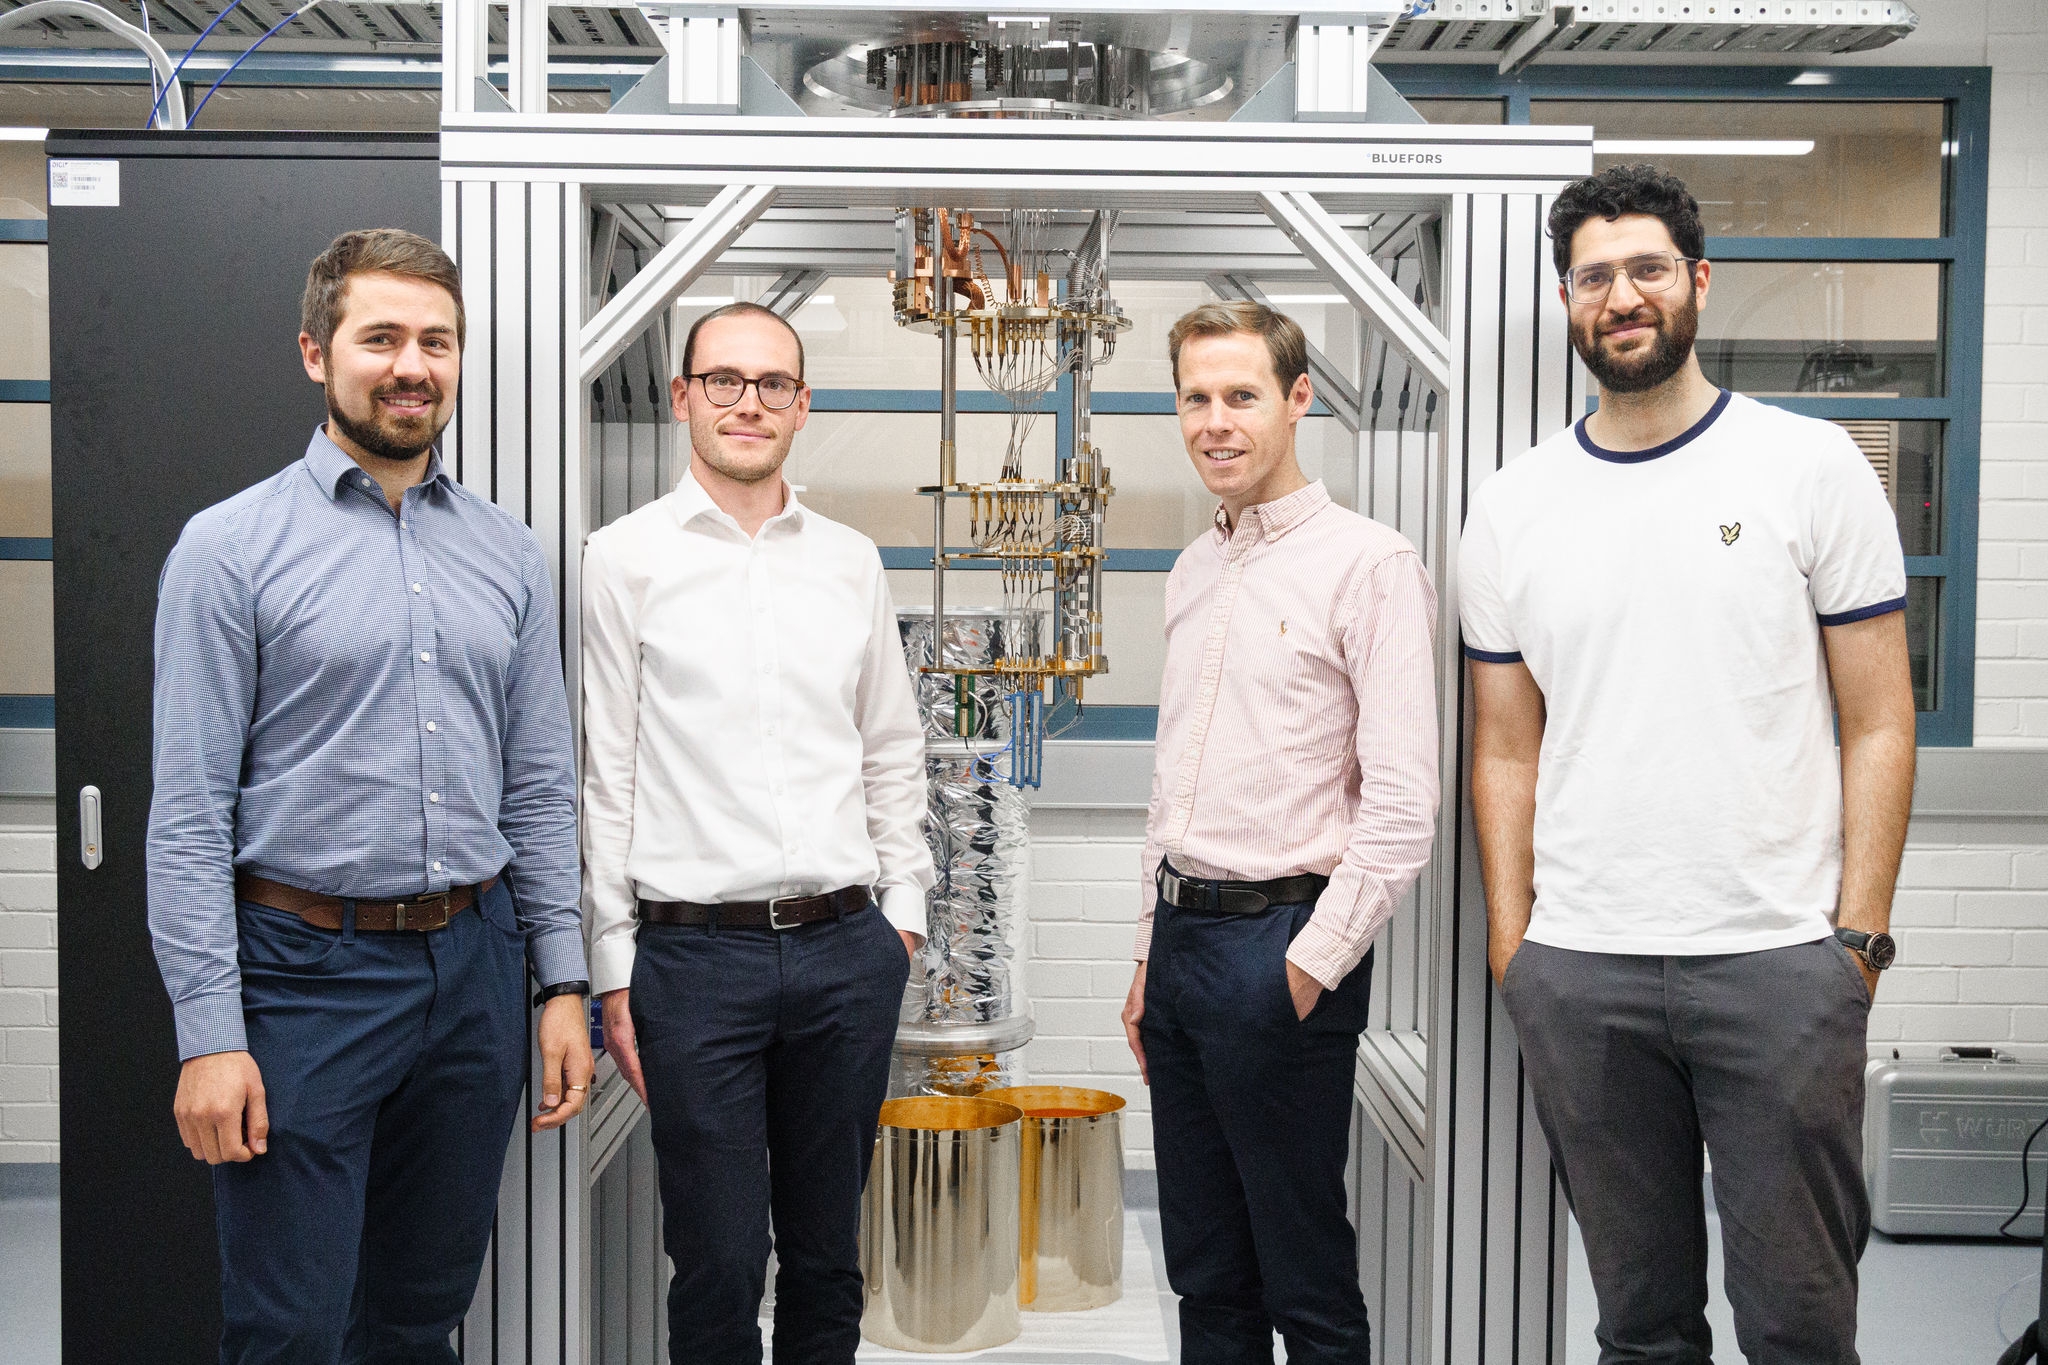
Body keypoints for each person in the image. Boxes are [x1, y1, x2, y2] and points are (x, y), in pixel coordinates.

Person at [1463, 165, 1915, 1364]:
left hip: (1775, 965)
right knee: (1639, 1325)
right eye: (1593, 277)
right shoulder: (1511, 506)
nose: (1621, 295)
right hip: (1583, 971)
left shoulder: (1807, 467)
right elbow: (1503, 747)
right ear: (1566, 301)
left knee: (1798, 1325)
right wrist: (1516, 946)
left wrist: (1854, 942)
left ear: (1697, 282)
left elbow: (1878, 720)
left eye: (1646, 269)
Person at [147, 228, 594, 1363]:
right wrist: (209, 1036)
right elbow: (190, 814)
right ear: (315, 352)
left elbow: (538, 788)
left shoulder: (507, 552)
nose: (412, 365)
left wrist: (560, 984)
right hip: (304, 977)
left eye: (435, 342)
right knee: (290, 1324)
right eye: (381, 337)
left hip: (476, 973)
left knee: (416, 1315)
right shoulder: (228, 550)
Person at [581, 301, 934, 1364]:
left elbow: (890, 748)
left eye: (772, 383)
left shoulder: (848, 561)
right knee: (721, 1261)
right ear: (683, 396)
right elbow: (604, 775)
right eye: (724, 380)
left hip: (843, 951)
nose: (748, 403)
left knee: (828, 1261)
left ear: (801, 405)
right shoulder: (621, 559)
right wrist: (611, 968)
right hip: (693, 962)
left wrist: (900, 923)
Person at [1119, 300, 1440, 1365]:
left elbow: (1402, 805)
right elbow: (1173, 790)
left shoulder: (1368, 563)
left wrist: (1308, 967)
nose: (1215, 422)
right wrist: (1141, 957)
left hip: (1280, 948)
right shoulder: (1191, 570)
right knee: (1203, 1271)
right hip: (1180, 948)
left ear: (1297, 401)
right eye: (1195, 399)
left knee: (1302, 1274)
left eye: (1240, 396)